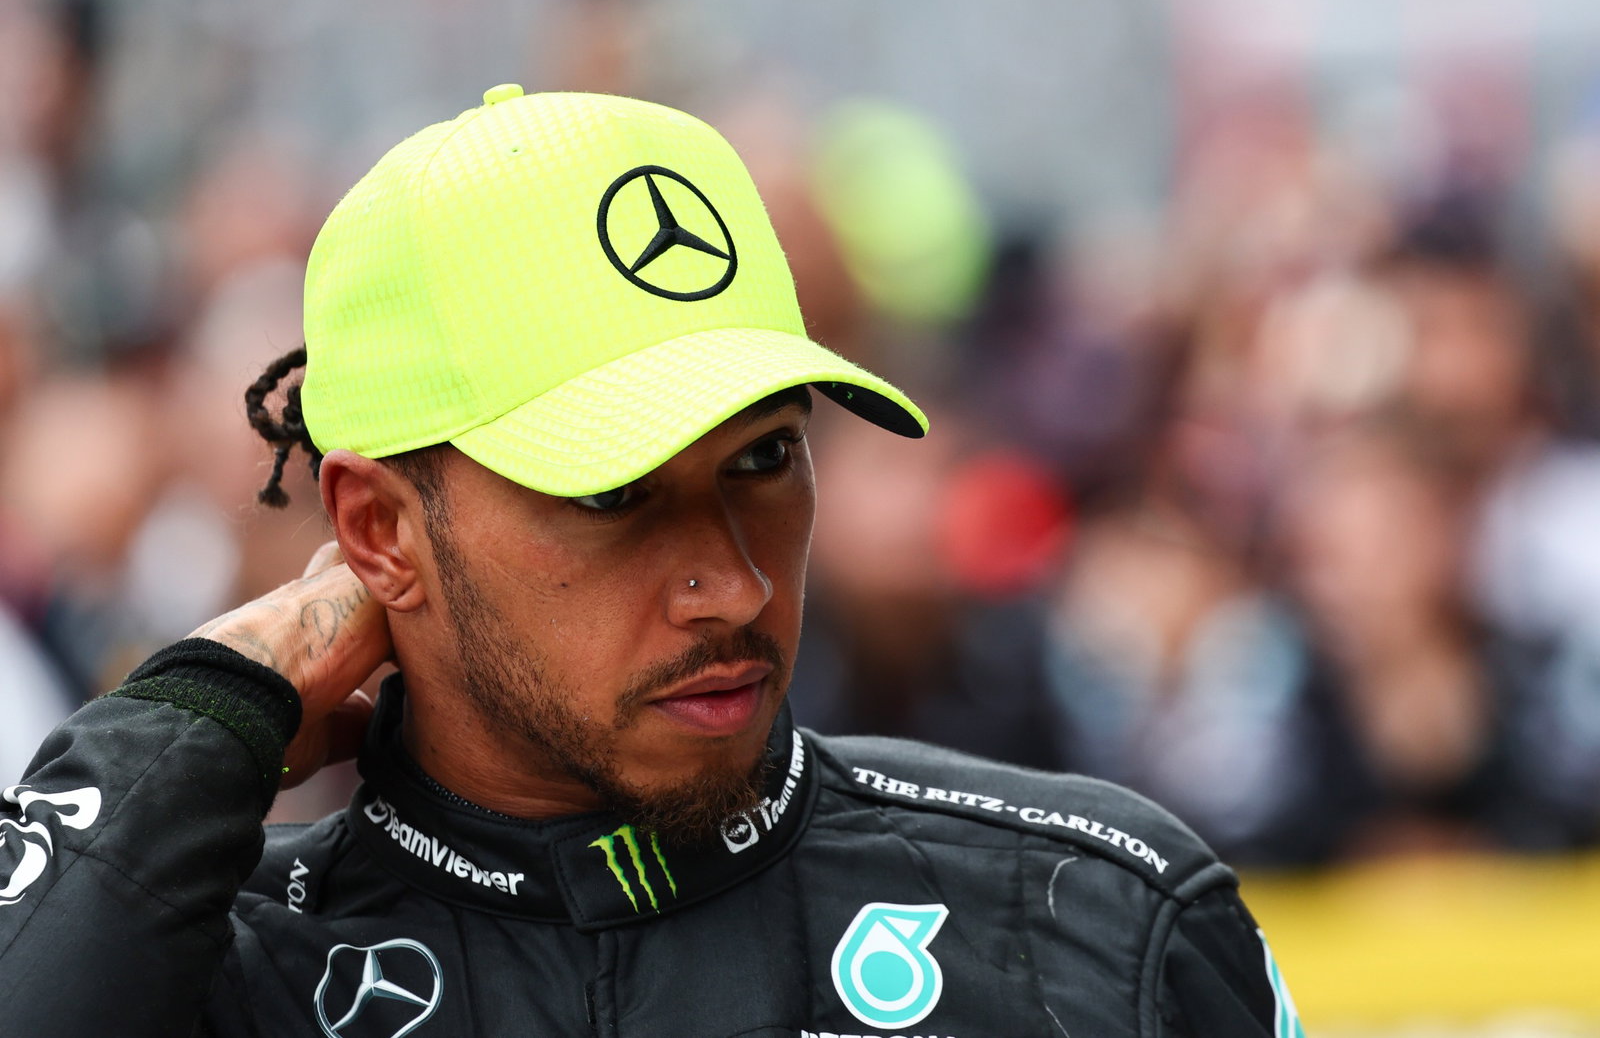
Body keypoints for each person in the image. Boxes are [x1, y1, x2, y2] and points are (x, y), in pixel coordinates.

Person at [0, 85, 1304, 1037]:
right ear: (382, 530)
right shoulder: (208, 971)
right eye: (611, 490)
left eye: (765, 459)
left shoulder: (1093, 922)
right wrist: (209, 708)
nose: (735, 585)